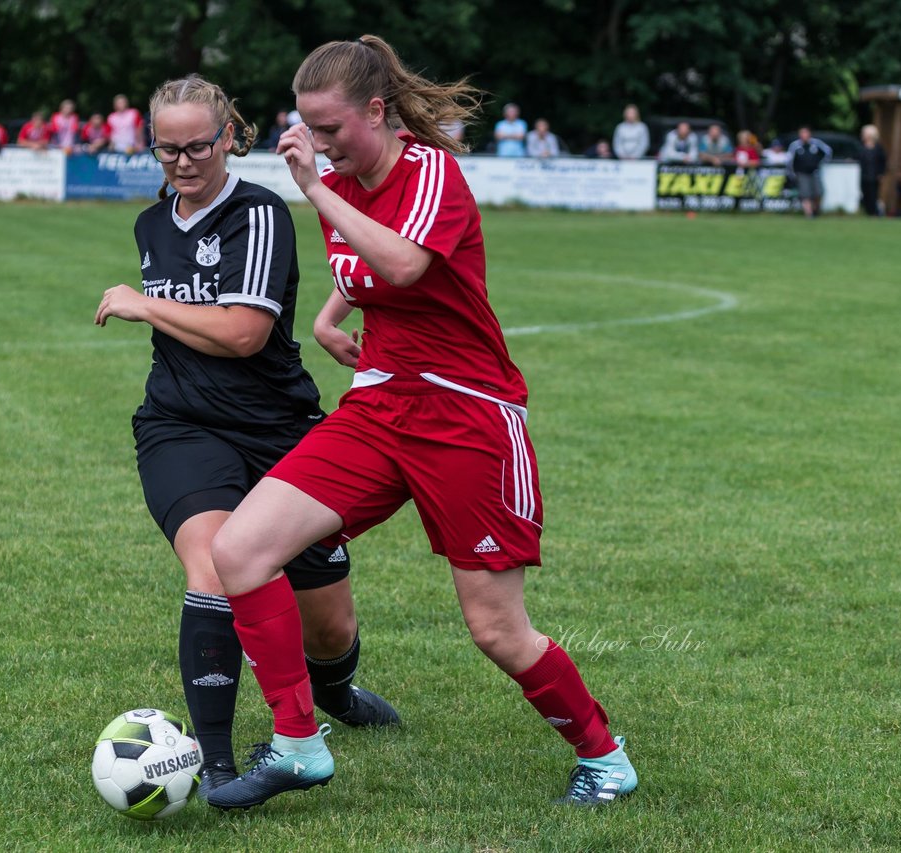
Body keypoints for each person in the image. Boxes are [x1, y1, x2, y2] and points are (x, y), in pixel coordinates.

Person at [205, 34, 637, 812]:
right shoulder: (345, 179)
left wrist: (315, 189)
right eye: (308, 127)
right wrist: (337, 314)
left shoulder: (428, 170)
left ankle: (604, 754)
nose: (320, 143)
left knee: (496, 629)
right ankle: (299, 744)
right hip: (379, 408)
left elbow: (405, 262)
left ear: (377, 110)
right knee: (239, 547)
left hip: (466, 415)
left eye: (332, 128)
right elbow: (366, 265)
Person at [93, 72, 401, 800]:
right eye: (167, 150)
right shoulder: (150, 224)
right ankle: (216, 762)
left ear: (228, 136)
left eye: (197, 145)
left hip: (277, 430)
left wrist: (146, 305)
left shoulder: (257, 215)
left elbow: (244, 332)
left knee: (328, 626)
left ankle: (338, 692)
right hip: (180, 428)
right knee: (214, 565)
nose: (183, 162)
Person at [787, 126, 832, 218]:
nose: (804, 135)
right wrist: (792, 173)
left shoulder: (816, 144)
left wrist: (821, 163)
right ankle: (809, 214)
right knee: (805, 194)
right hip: (801, 173)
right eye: (802, 133)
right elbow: (789, 161)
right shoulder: (795, 146)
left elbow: (828, 152)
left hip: (815, 172)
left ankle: (815, 211)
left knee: (819, 193)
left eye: (806, 133)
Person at [857, 124, 887, 217]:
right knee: (865, 194)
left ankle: (874, 213)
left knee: (873, 195)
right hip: (863, 175)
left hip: (874, 175)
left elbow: (883, 161)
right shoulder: (861, 147)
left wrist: (881, 173)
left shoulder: (878, 148)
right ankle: (868, 212)